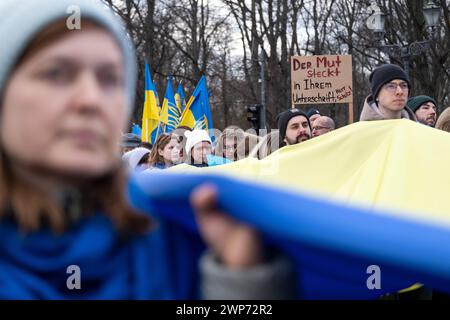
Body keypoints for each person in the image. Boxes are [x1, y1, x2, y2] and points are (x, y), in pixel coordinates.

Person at [0, 0, 294, 299]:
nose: (91, 99)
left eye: (110, 79)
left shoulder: (180, 234)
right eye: (56, 73)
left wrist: (242, 282)